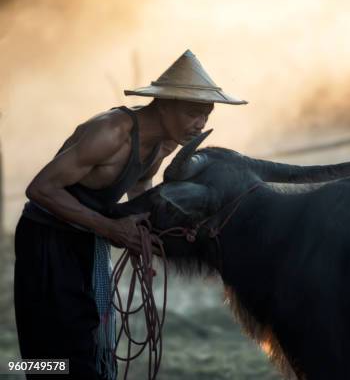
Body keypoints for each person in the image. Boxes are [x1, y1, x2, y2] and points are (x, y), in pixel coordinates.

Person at [13, 49, 247, 379]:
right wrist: (110, 228)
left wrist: (149, 236)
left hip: (88, 237)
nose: (201, 124)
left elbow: (140, 193)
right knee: (56, 343)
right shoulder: (109, 133)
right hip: (47, 237)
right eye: (194, 113)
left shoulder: (165, 144)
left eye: (206, 115)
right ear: (165, 105)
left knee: (90, 334)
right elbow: (40, 188)